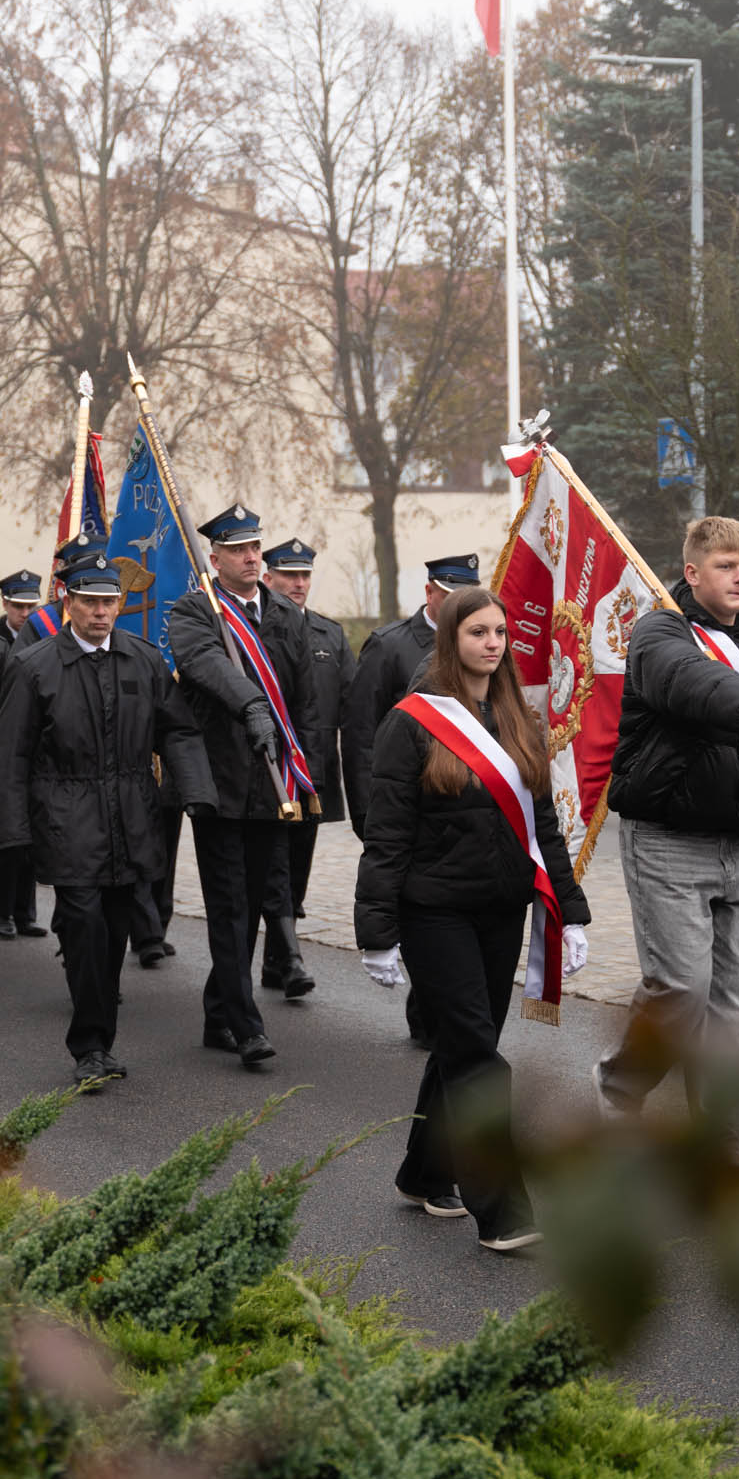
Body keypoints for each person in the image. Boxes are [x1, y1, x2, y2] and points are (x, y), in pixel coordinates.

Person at [354, 586, 590, 1253]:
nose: (492, 643)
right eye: (477, 632)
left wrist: (571, 913)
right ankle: (504, 1212)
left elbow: (545, 829)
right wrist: (377, 933)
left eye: (499, 632)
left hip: (500, 909)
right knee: (480, 1059)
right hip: (433, 912)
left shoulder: (519, 719)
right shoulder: (411, 723)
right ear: (450, 640)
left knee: (465, 1046)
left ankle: (425, 1173)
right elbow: (386, 836)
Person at [589, 517, 739, 1166]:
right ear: (692, 572)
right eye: (724, 566)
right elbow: (688, 680)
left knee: (729, 1001)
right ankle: (620, 1084)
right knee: (681, 987)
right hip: (668, 841)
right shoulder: (660, 634)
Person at [0, 548, 215, 1085]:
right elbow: (10, 757)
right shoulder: (34, 666)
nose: (100, 612)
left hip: (132, 816)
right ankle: (89, 1046)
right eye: (90, 602)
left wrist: (197, 791)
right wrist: (13, 834)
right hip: (65, 817)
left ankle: (101, 1037)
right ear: (68, 602)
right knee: (85, 925)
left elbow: (177, 730)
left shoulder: (143, 660)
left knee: (115, 931)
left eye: (109, 602)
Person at [166, 505, 317, 1069]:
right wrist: (250, 703)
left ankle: (218, 1014)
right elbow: (203, 662)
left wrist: (305, 770)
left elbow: (303, 699)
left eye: (255, 547)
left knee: (254, 906)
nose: (251, 557)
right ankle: (246, 1025)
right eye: (237, 550)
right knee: (229, 908)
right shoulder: (194, 610)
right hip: (222, 783)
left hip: (274, 782)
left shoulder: (285, 614)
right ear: (215, 558)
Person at [344, 552, 480, 1043]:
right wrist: (367, 812)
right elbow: (360, 733)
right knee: (419, 908)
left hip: (460, 810)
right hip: (405, 806)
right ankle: (427, 1016)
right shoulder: (390, 646)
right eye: (450, 597)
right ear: (430, 594)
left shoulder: (476, 647)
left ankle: (435, 1013)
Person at [259, 537, 349, 1000]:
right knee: (273, 864)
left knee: (297, 869)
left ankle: (275, 961)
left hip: (312, 772)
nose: (298, 583)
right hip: (268, 771)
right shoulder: (254, 628)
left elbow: (351, 704)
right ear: (267, 577)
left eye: (305, 575)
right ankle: (290, 958)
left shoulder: (329, 634)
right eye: (288, 574)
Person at [0, 569, 50, 939]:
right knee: (9, 839)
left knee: (33, 836)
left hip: (37, 747)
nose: (25, 614)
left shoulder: (44, 633)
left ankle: (26, 913)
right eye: (18, 606)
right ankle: (2, 912)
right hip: (8, 746)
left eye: (30, 607)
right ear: (5, 604)